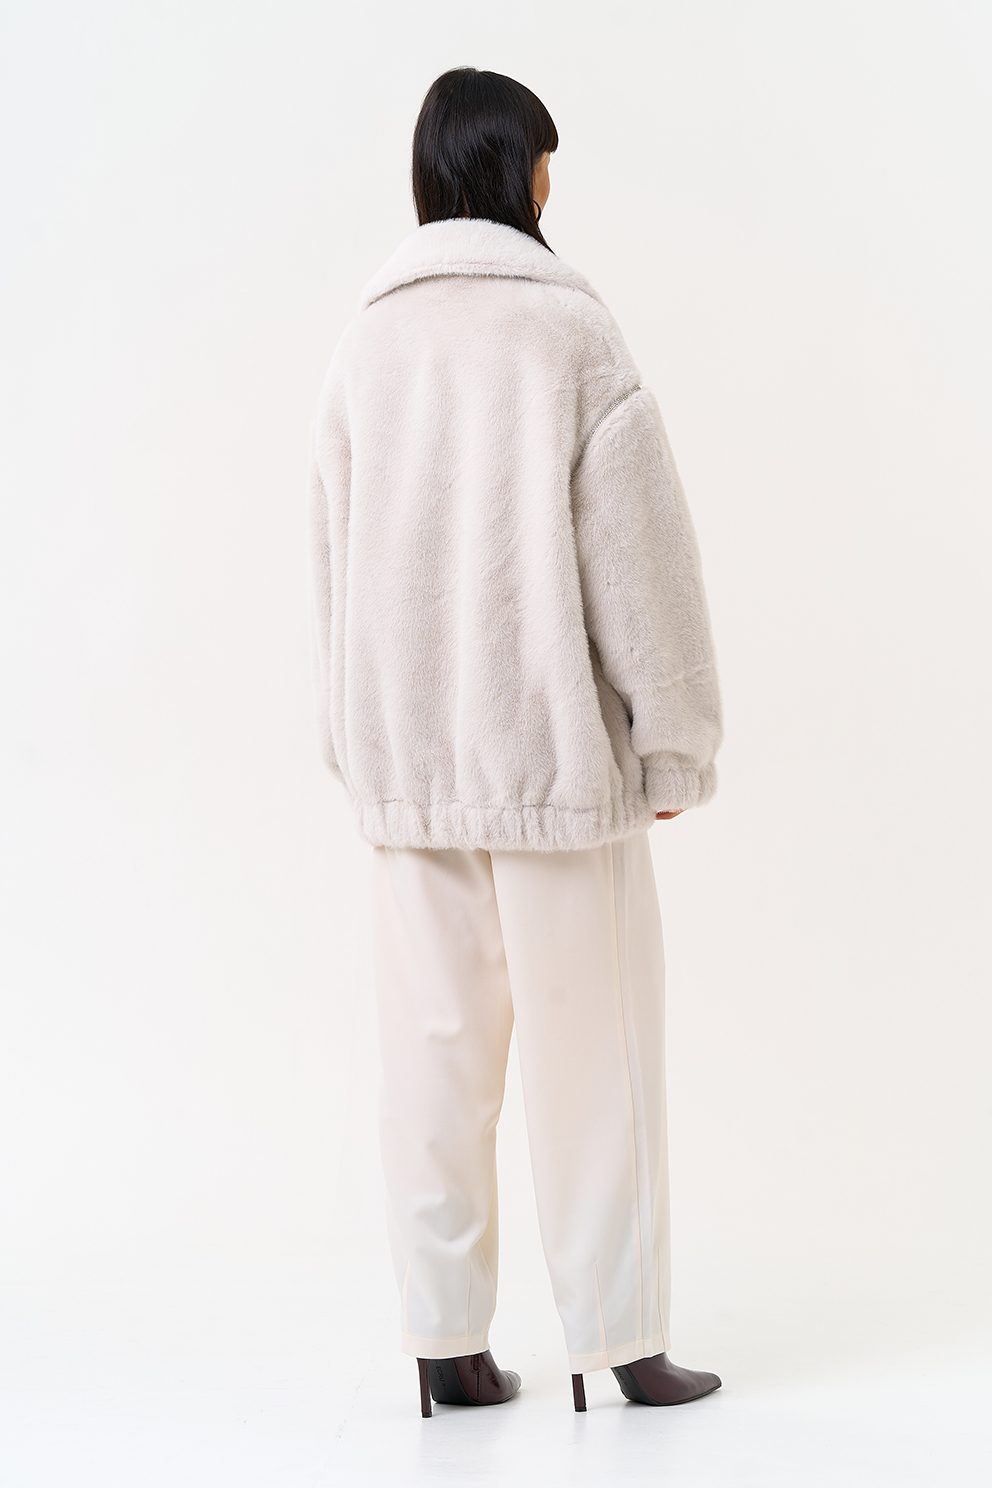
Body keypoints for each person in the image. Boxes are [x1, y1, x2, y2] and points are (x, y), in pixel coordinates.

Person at [308, 67, 724, 1417]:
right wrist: (674, 741)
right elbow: (641, 563)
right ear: (514, 171)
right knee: (595, 1061)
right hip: (554, 766)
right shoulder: (570, 335)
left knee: (431, 1064)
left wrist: (354, 739)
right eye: (546, 160)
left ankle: (447, 1347)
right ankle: (620, 1343)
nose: (554, 182)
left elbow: (332, 557)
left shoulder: (366, 345)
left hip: (412, 771)